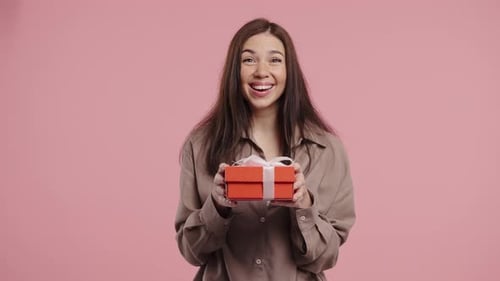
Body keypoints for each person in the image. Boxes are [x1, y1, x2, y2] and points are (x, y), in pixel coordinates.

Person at [175, 17, 356, 281]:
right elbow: (192, 252)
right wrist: (216, 206)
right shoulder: (201, 144)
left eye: (275, 60)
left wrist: (304, 205)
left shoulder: (327, 149)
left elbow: (325, 256)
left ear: (289, 70)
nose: (261, 71)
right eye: (248, 60)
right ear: (234, 71)